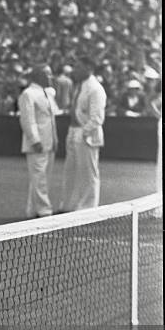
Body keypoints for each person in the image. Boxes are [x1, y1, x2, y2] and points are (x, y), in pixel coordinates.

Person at [60, 55, 107, 212]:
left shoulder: (95, 89)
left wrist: (83, 132)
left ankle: (88, 209)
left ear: (89, 69)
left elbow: (97, 118)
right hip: (73, 130)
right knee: (70, 172)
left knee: (88, 173)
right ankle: (68, 207)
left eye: (79, 67)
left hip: (86, 134)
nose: (75, 71)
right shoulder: (79, 86)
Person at [18, 64, 59, 218]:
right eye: (48, 75)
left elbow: (52, 118)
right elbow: (27, 120)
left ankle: (32, 210)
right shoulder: (28, 94)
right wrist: (35, 140)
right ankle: (44, 211)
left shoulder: (48, 93)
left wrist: (55, 139)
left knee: (42, 178)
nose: (51, 77)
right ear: (38, 76)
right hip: (37, 144)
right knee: (39, 178)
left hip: (49, 142)